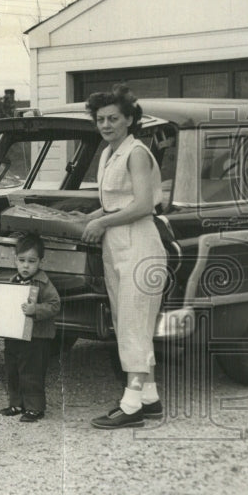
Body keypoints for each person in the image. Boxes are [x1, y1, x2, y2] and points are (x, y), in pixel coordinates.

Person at [81, 84, 167, 429]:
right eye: (100, 119)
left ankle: (131, 405)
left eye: (113, 118)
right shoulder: (108, 153)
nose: (106, 124)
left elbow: (144, 204)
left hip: (141, 244)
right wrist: (91, 216)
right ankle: (150, 398)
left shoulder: (136, 153)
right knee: (127, 324)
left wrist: (102, 220)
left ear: (130, 119)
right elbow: (115, 200)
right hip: (116, 244)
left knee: (134, 325)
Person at [0, 233, 61, 422]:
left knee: (32, 372)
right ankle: (16, 403)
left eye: (31, 261)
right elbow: (4, 305)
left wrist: (35, 309)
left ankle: (35, 407)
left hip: (36, 338)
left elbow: (55, 305)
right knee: (13, 370)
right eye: (22, 260)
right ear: (15, 260)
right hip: (14, 335)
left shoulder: (44, 283)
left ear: (40, 262)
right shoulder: (12, 281)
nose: (26, 265)